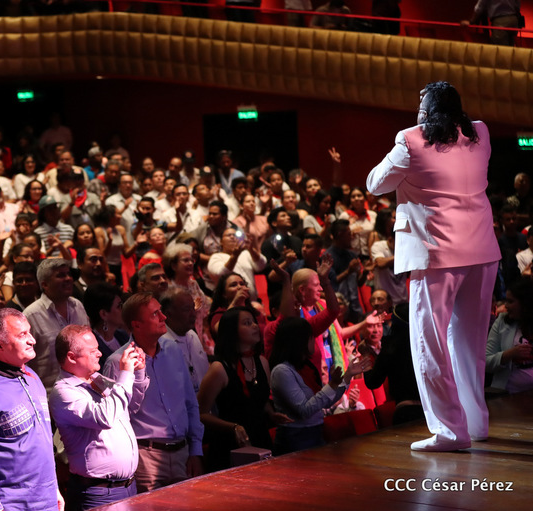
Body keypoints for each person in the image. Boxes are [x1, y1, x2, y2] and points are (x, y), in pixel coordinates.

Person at [367, 81, 501, 451]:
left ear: (426, 111)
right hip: (481, 250)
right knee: (470, 344)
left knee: (430, 343)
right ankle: (475, 423)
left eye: (420, 106)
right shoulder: (480, 133)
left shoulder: (411, 139)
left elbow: (375, 183)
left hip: (436, 252)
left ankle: (449, 431)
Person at [103, 293, 204, 492]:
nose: (163, 317)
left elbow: (190, 403)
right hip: (145, 458)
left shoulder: (174, 350)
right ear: (137, 325)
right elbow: (114, 418)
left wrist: (195, 450)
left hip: (183, 453)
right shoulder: (117, 362)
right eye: (155, 314)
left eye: (161, 312)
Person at [0, 308, 64, 511]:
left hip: (48, 500)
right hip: (11, 505)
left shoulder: (32, 376)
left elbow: (44, 445)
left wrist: (55, 489)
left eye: (29, 332)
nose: (32, 340)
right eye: (22, 335)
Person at [50, 325, 145, 510]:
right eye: (93, 351)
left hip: (128, 486)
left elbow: (130, 405)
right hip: (99, 493)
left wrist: (138, 371)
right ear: (71, 357)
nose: (100, 353)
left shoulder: (97, 379)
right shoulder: (63, 392)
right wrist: (125, 373)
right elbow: (105, 417)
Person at [197, 307, 291, 469]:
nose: (255, 326)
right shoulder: (220, 368)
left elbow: (258, 398)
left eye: (254, 322)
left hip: (260, 439)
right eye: (247, 323)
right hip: (230, 445)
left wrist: (271, 413)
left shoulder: (262, 362)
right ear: (232, 331)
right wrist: (233, 427)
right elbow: (200, 413)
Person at [269, 317, 368, 455]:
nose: (315, 341)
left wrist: (348, 375)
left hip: (314, 433)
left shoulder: (306, 367)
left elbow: (325, 402)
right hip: (295, 438)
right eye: (312, 337)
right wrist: (332, 384)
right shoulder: (282, 371)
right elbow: (304, 410)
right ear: (300, 341)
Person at [24, 258, 89, 392]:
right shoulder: (31, 315)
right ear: (45, 284)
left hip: (84, 389)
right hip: (49, 394)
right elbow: (24, 363)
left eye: (68, 274)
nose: (68, 279)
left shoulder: (77, 306)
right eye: (60, 275)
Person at [486, 279, 533, 393]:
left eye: (510, 301)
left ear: (525, 303)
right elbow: (486, 362)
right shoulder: (501, 322)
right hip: (507, 393)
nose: (505, 306)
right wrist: (509, 354)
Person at [159, 288, 209, 393]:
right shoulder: (159, 345)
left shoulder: (192, 334)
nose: (193, 314)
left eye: (193, 308)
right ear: (168, 314)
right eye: (186, 310)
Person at [83, 282, 128, 371]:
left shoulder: (123, 335)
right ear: (104, 314)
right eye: (119, 306)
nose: (123, 309)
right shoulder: (91, 348)